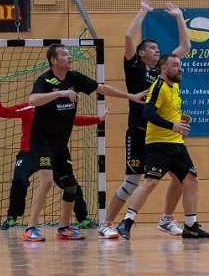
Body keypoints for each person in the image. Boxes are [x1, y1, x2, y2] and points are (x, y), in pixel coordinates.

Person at [22, 44, 144, 242]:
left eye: (69, 54)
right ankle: (30, 228)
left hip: (61, 144)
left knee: (71, 187)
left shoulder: (75, 78)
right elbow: (33, 99)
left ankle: (64, 228)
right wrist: (59, 93)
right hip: (42, 141)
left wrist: (130, 96)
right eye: (64, 54)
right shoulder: (44, 80)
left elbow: (100, 88)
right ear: (54, 60)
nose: (69, 57)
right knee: (47, 181)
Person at [100, 0, 191, 240]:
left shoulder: (162, 70)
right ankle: (106, 223)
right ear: (141, 53)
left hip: (163, 135)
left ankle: (166, 220)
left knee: (182, 179)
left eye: (157, 48)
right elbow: (129, 37)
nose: (156, 50)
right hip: (139, 131)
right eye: (151, 47)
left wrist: (180, 17)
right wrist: (143, 11)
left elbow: (185, 47)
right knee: (131, 182)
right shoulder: (135, 67)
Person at [116, 54, 209, 240]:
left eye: (180, 65)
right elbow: (148, 113)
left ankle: (191, 226)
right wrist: (172, 126)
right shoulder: (158, 87)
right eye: (175, 65)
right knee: (151, 182)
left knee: (190, 180)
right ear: (164, 68)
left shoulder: (175, 86)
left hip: (176, 143)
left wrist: (180, 120)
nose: (180, 68)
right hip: (158, 143)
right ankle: (127, 221)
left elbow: (168, 111)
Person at [0, 84, 104, 231]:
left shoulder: (58, 111)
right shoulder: (28, 108)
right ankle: (12, 216)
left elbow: (75, 120)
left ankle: (82, 219)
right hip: (28, 153)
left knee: (70, 184)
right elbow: (4, 112)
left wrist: (98, 119)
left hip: (51, 152)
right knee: (19, 180)